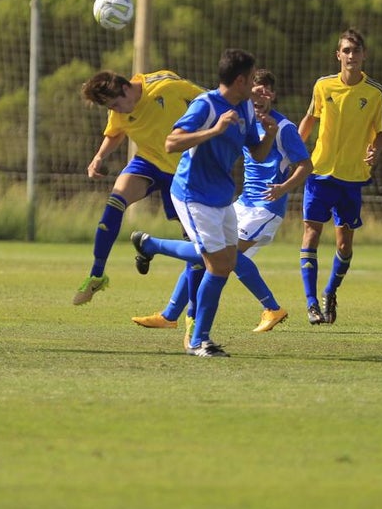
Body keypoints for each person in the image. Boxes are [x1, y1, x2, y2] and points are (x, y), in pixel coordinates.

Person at [130, 68, 312, 337]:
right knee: (206, 253)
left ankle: (272, 308)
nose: (260, 97)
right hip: (242, 202)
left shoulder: (283, 127)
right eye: (255, 90)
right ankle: (170, 315)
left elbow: (306, 165)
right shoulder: (245, 119)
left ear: (273, 94)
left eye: (266, 91)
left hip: (265, 209)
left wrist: (283, 187)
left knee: (227, 257)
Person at [162, 49, 278, 357]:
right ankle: (199, 341)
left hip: (222, 196)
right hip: (193, 194)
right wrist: (214, 130)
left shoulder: (247, 109)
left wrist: (270, 134)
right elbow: (171, 143)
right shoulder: (206, 105)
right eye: (252, 79)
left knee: (224, 265)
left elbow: (258, 153)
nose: (256, 85)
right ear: (240, 80)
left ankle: (150, 245)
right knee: (215, 264)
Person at [74, 69, 204, 305]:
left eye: (115, 105)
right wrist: (99, 157)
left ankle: (191, 316)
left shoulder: (166, 87)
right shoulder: (118, 108)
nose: (115, 111)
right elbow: (115, 132)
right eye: (110, 108)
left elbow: (206, 98)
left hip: (185, 170)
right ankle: (96, 274)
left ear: (126, 89)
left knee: (195, 245)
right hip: (148, 162)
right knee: (115, 202)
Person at [298, 28, 382, 325]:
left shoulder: (375, 93)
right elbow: (310, 118)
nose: (351, 55)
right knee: (311, 233)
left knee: (344, 246)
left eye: (356, 50)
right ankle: (311, 304)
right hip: (320, 172)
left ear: (364, 55)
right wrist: (297, 153)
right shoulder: (323, 86)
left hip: (352, 178)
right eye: (346, 50)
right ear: (338, 55)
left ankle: (330, 292)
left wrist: (375, 150)